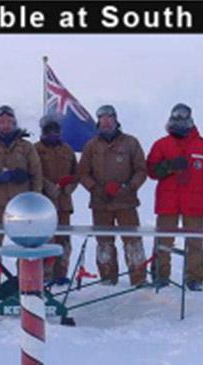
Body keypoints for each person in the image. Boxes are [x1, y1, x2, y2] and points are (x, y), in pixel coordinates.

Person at [146, 103, 203, 291]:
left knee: (195, 242)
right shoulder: (161, 144)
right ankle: (161, 276)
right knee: (163, 241)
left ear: (190, 120)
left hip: (194, 201)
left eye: (183, 118)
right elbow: (152, 170)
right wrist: (170, 166)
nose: (179, 121)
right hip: (168, 201)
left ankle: (194, 278)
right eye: (176, 118)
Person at [77, 105, 148, 286]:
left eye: (110, 117)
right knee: (104, 244)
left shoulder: (131, 143)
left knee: (133, 242)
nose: (106, 121)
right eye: (102, 118)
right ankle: (107, 279)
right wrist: (95, 189)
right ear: (98, 121)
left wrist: (128, 187)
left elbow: (141, 169)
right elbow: (82, 173)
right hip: (101, 204)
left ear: (116, 120)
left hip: (126, 203)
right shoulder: (91, 146)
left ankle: (138, 279)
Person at [0, 105, 43, 289]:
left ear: (14, 123)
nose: (5, 125)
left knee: (25, 246)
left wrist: (34, 199)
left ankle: (26, 282)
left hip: (22, 206)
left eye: (9, 122)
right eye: (1, 122)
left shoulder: (26, 147)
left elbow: (37, 173)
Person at [34, 113, 78, 285]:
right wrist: (47, 186)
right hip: (43, 204)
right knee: (45, 239)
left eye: (56, 130)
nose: (52, 133)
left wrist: (70, 187)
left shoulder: (67, 149)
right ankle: (44, 274)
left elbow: (76, 173)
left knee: (64, 240)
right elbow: (35, 171)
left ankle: (61, 273)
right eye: (49, 129)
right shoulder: (36, 149)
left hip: (64, 203)